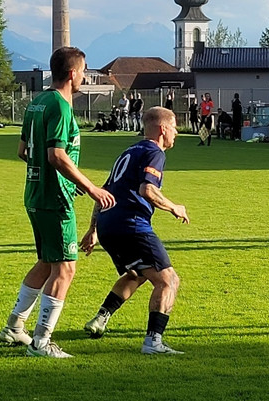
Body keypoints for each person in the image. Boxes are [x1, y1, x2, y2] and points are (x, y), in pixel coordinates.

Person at [0, 47, 116, 358]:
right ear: (73, 73)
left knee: (48, 262)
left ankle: (14, 327)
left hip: (36, 193)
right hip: (53, 200)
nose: (85, 76)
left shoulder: (37, 102)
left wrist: (62, 179)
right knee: (65, 269)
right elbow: (56, 155)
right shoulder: (61, 107)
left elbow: (23, 150)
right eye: (84, 70)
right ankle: (41, 342)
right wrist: (90, 187)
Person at [81, 106, 189, 355]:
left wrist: (94, 229)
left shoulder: (128, 152)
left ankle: (100, 318)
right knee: (168, 280)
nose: (176, 133)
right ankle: (154, 342)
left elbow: (104, 193)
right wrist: (174, 207)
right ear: (163, 129)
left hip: (109, 225)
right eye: (174, 127)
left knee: (137, 273)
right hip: (131, 225)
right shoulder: (154, 152)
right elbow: (147, 190)